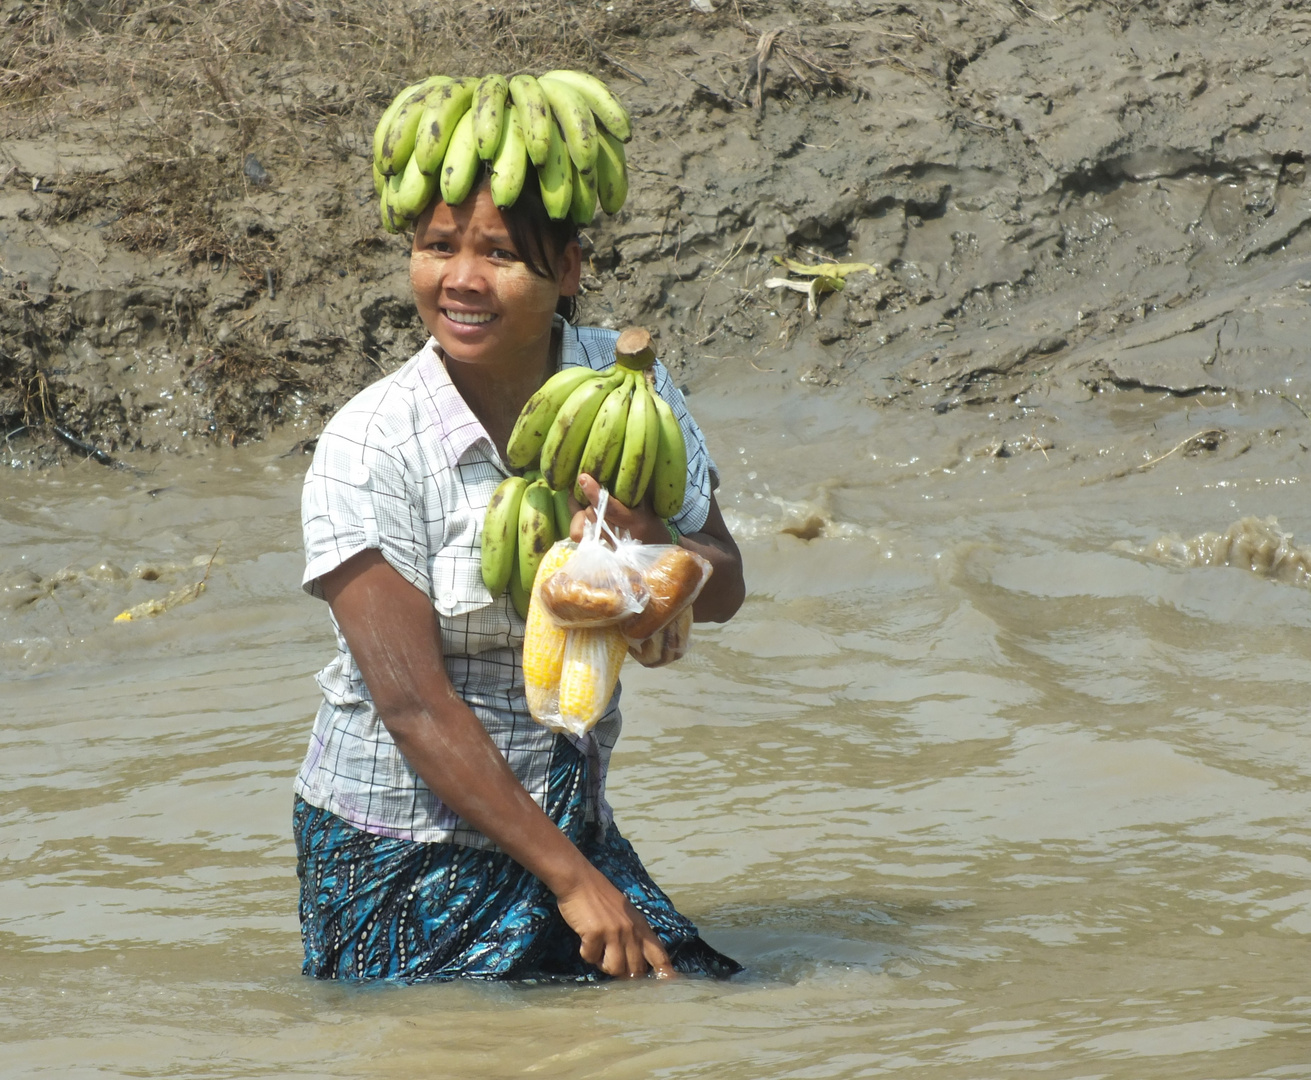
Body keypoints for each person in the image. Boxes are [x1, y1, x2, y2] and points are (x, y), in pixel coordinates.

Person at [292, 162, 746, 982]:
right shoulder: (370, 445)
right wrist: (575, 883)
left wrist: (646, 553)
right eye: (437, 247)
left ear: (568, 268)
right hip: (405, 850)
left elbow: (726, 580)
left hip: (570, 823)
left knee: (694, 1000)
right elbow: (410, 704)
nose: (460, 281)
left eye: (499, 254)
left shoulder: (627, 386)